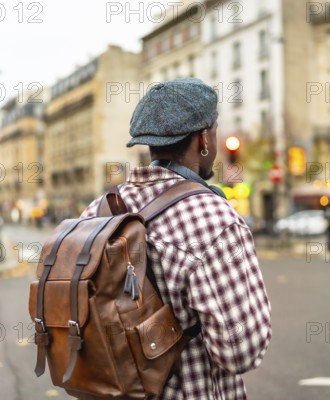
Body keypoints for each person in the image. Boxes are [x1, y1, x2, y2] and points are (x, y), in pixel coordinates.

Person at [80, 78, 272, 399]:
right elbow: (242, 351)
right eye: (214, 129)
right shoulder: (214, 220)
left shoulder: (97, 211)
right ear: (203, 140)